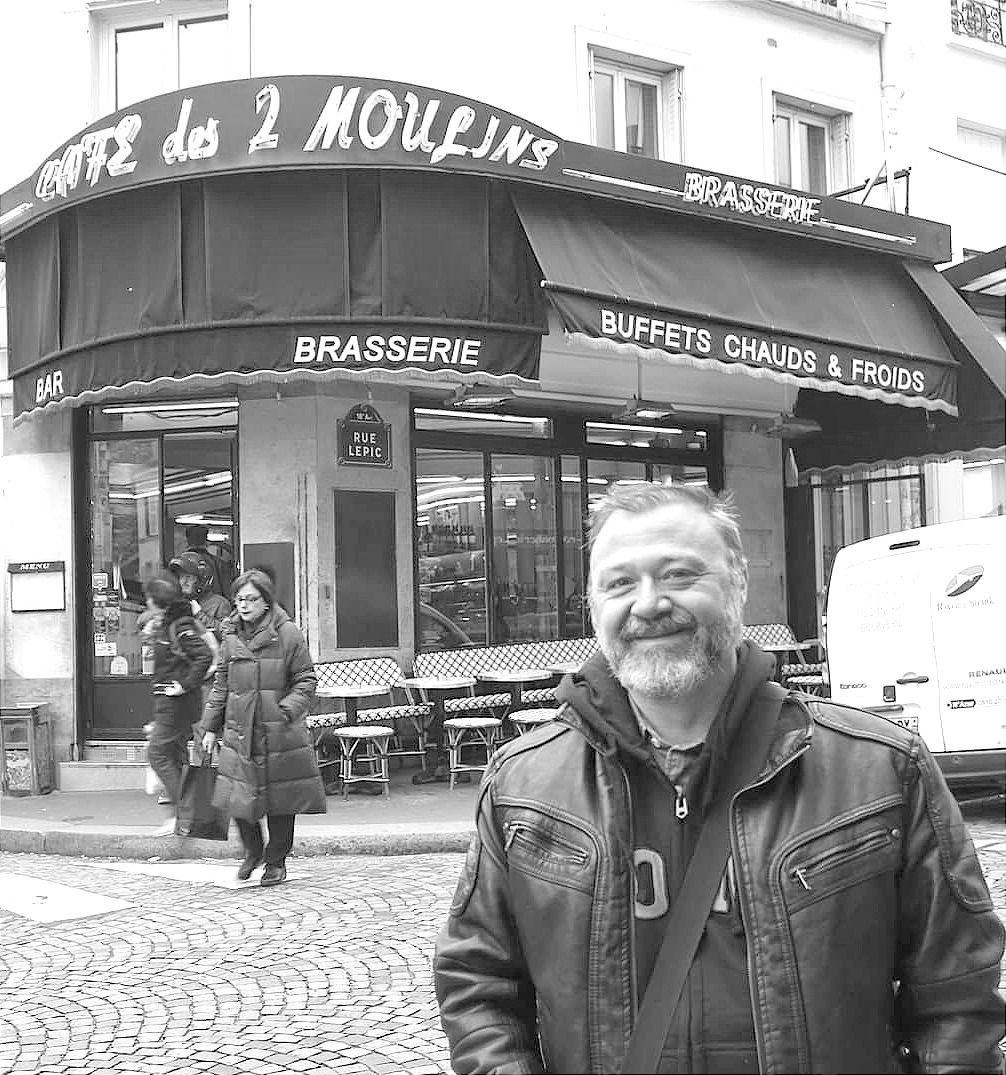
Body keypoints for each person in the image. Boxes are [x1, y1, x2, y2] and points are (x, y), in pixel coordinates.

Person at [434, 481, 1006, 1074]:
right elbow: (479, 981)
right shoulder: (523, 785)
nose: (648, 604)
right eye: (620, 583)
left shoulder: (881, 770)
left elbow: (956, 996)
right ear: (593, 606)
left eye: (679, 574)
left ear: (738, 586)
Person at [197, 569, 326, 887]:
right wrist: (209, 727)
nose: (243, 605)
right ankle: (253, 851)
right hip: (240, 731)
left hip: (278, 730)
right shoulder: (230, 636)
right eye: (239, 598)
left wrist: (287, 709)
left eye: (251, 599)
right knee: (238, 798)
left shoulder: (289, 634)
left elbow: (306, 680)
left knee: (281, 802)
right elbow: (221, 684)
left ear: (266, 602)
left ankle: (276, 862)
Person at [142, 575, 213, 823]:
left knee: (158, 754)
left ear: (155, 601)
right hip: (173, 703)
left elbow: (203, 656)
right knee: (177, 755)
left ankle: (185, 813)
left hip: (174, 704)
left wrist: (184, 685)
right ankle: (188, 815)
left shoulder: (180, 625)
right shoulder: (170, 623)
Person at [168, 550, 232, 638]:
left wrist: (199, 614)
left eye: (189, 577)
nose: (184, 582)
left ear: (202, 580)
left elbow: (226, 634)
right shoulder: (178, 604)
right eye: (181, 577)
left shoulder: (220, 604)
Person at [184, 523, 226, 596]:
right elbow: (226, 589)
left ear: (187, 540)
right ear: (206, 539)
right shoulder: (217, 563)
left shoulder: (178, 563)